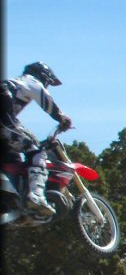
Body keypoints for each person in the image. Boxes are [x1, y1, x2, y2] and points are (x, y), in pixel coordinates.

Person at [1, 62, 73, 216]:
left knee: (12, 159)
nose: (47, 85)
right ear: (43, 76)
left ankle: (8, 203)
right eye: (48, 81)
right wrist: (62, 118)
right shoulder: (30, 81)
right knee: (36, 150)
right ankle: (36, 195)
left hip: (4, 124)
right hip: (4, 121)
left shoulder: (15, 85)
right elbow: (46, 101)